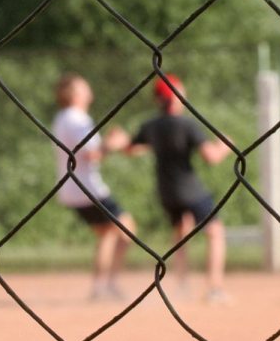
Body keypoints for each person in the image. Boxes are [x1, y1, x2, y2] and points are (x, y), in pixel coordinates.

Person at [114, 74, 231, 303]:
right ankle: (214, 287)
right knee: (215, 232)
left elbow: (131, 148)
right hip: (191, 189)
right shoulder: (187, 124)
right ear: (177, 98)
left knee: (180, 232)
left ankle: (182, 284)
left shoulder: (151, 125)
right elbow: (211, 157)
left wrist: (122, 140)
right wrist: (225, 145)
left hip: (166, 190)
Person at [50, 74, 135, 300]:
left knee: (108, 233)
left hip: (72, 190)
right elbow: (93, 154)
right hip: (89, 189)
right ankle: (107, 284)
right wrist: (114, 144)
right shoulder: (77, 119)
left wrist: (106, 143)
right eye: (83, 88)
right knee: (127, 231)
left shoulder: (62, 118)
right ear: (74, 95)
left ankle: (102, 285)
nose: (89, 91)